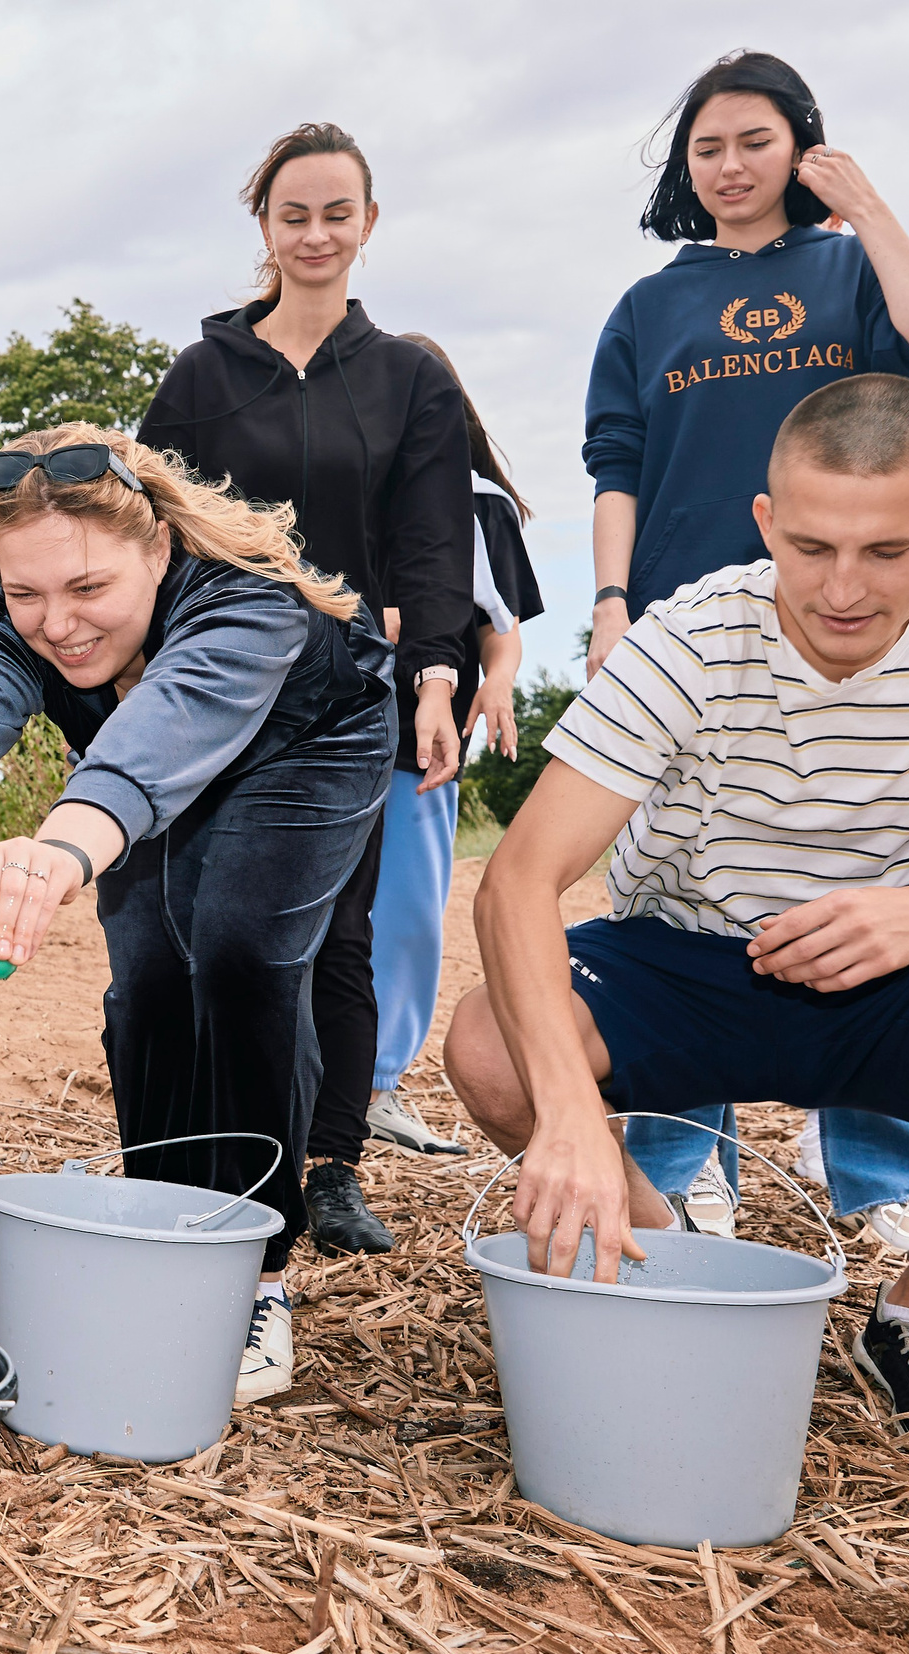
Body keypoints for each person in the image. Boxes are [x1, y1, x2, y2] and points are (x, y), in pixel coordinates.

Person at [444, 376, 909, 1457]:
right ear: (766, 521)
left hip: (897, 977)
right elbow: (518, 880)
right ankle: (666, 1264)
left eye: (888, 552)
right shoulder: (689, 636)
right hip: (686, 959)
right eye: (809, 547)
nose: (841, 588)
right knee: (491, 1048)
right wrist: (571, 1115)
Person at [0, 424, 396, 1404]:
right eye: (24, 594)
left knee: (237, 950)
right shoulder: (13, 618)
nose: (55, 624)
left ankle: (255, 1269)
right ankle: (159, 1220)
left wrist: (61, 845)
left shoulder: (248, 605)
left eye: (87, 591)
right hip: (129, 785)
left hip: (304, 750)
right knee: (149, 973)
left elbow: (163, 727)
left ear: (155, 550)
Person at [583, 50, 909, 1238]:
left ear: (798, 148)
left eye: (753, 141)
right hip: (684, 632)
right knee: (670, 878)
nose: (729, 166)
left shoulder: (852, 270)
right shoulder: (650, 305)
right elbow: (616, 463)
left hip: (843, 618)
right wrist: (609, 603)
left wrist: (863, 207)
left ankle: (882, 1173)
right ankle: (684, 1154)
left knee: (869, 855)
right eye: (706, 147)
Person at [137, 122, 472, 1258]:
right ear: (264, 228)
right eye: (295, 214)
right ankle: (211, 1153)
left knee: (334, 930)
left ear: (367, 226)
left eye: (338, 213)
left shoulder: (408, 380)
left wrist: (436, 678)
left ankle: (328, 1167)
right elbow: (149, 533)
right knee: (201, 925)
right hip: (218, 693)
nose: (317, 233)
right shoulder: (199, 380)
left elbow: (433, 544)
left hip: (347, 702)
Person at [363, 333, 542, 1162]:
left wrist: (495, 682)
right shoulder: (331, 490)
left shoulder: (479, 504)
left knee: (405, 914)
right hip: (312, 733)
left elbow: (497, 630)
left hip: (421, 741)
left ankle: (375, 1085)